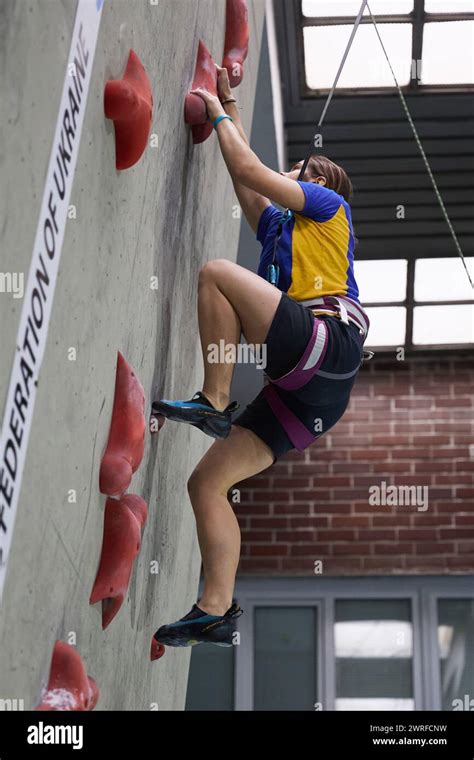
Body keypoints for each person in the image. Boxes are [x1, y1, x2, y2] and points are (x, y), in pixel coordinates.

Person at [151, 67, 370, 648]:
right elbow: (246, 181)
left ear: (315, 179)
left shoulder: (326, 207)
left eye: (297, 168)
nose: (288, 172)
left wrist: (218, 116)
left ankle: (215, 400)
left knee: (217, 275)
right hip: (310, 393)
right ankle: (215, 609)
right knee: (207, 482)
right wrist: (229, 104)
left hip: (326, 345)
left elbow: (252, 170)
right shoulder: (280, 227)